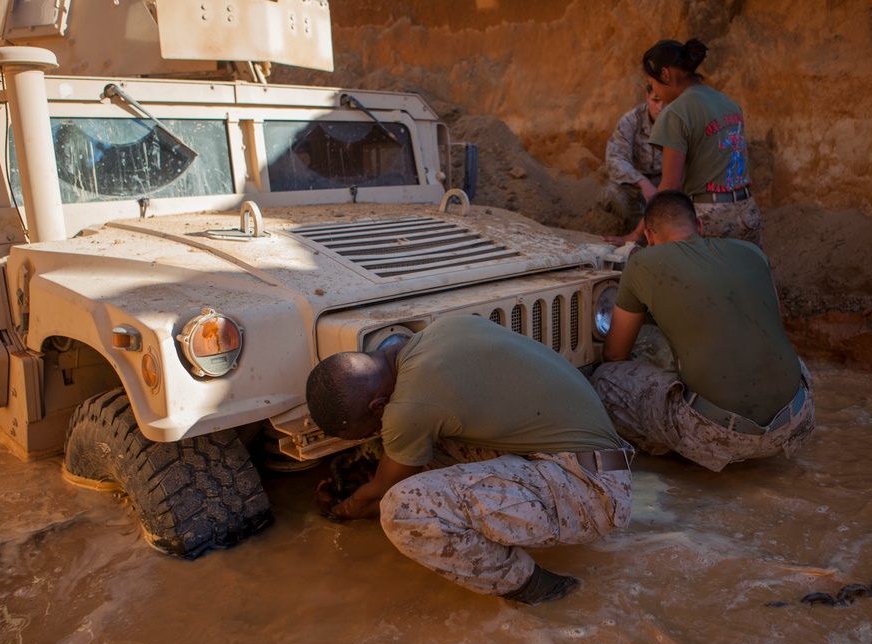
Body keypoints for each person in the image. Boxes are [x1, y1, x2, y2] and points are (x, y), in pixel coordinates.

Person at [305, 316, 634, 605]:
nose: (378, 431)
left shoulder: (408, 408)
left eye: (371, 429)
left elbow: (380, 496)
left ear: (378, 406)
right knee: (426, 455)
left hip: (594, 492)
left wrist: (339, 510)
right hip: (597, 459)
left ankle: (541, 590)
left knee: (403, 509)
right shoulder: (445, 329)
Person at [591, 190, 814, 472]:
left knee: (603, 380)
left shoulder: (643, 262)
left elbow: (615, 354)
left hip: (722, 435)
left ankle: (677, 449)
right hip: (794, 418)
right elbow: (773, 328)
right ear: (699, 226)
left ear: (649, 236)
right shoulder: (753, 252)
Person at [618, 38, 764, 247]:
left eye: (652, 84)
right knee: (746, 277)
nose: (655, 92)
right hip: (747, 212)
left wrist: (638, 233)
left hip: (710, 219)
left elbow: (671, 186)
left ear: (665, 74)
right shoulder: (728, 103)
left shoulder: (677, 113)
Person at [598, 83, 665, 242]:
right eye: (656, 100)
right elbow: (615, 158)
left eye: (665, 101)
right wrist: (641, 182)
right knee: (614, 194)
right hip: (637, 187)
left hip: (667, 185)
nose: (661, 107)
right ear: (647, 97)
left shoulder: (678, 121)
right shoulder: (632, 120)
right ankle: (642, 234)